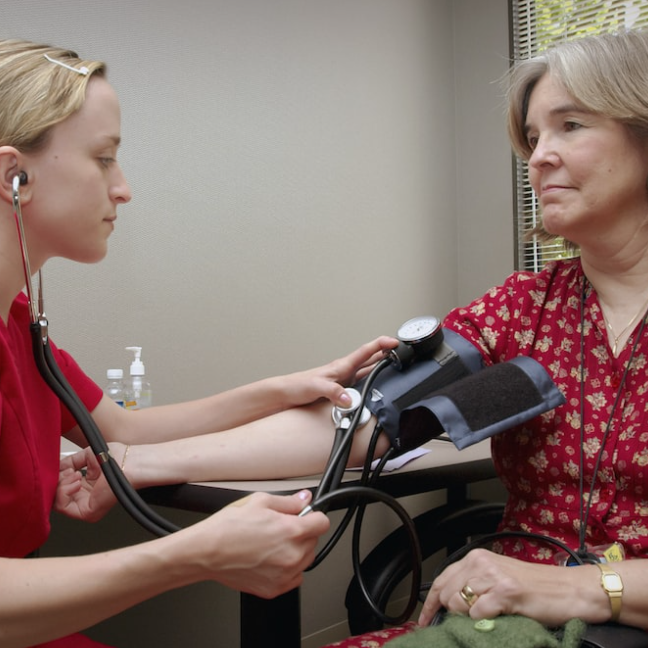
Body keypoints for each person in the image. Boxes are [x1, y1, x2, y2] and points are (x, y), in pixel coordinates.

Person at [0, 38, 399, 648]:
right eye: (105, 159)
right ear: (13, 176)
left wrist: (282, 387)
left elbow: (124, 431)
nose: (124, 188)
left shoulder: (18, 323)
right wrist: (192, 554)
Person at [324, 28, 648, 648]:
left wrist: (583, 588)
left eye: (570, 126)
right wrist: (141, 457)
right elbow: (375, 422)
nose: (538, 157)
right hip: (498, 620)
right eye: (532, 138)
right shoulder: (528, 310)